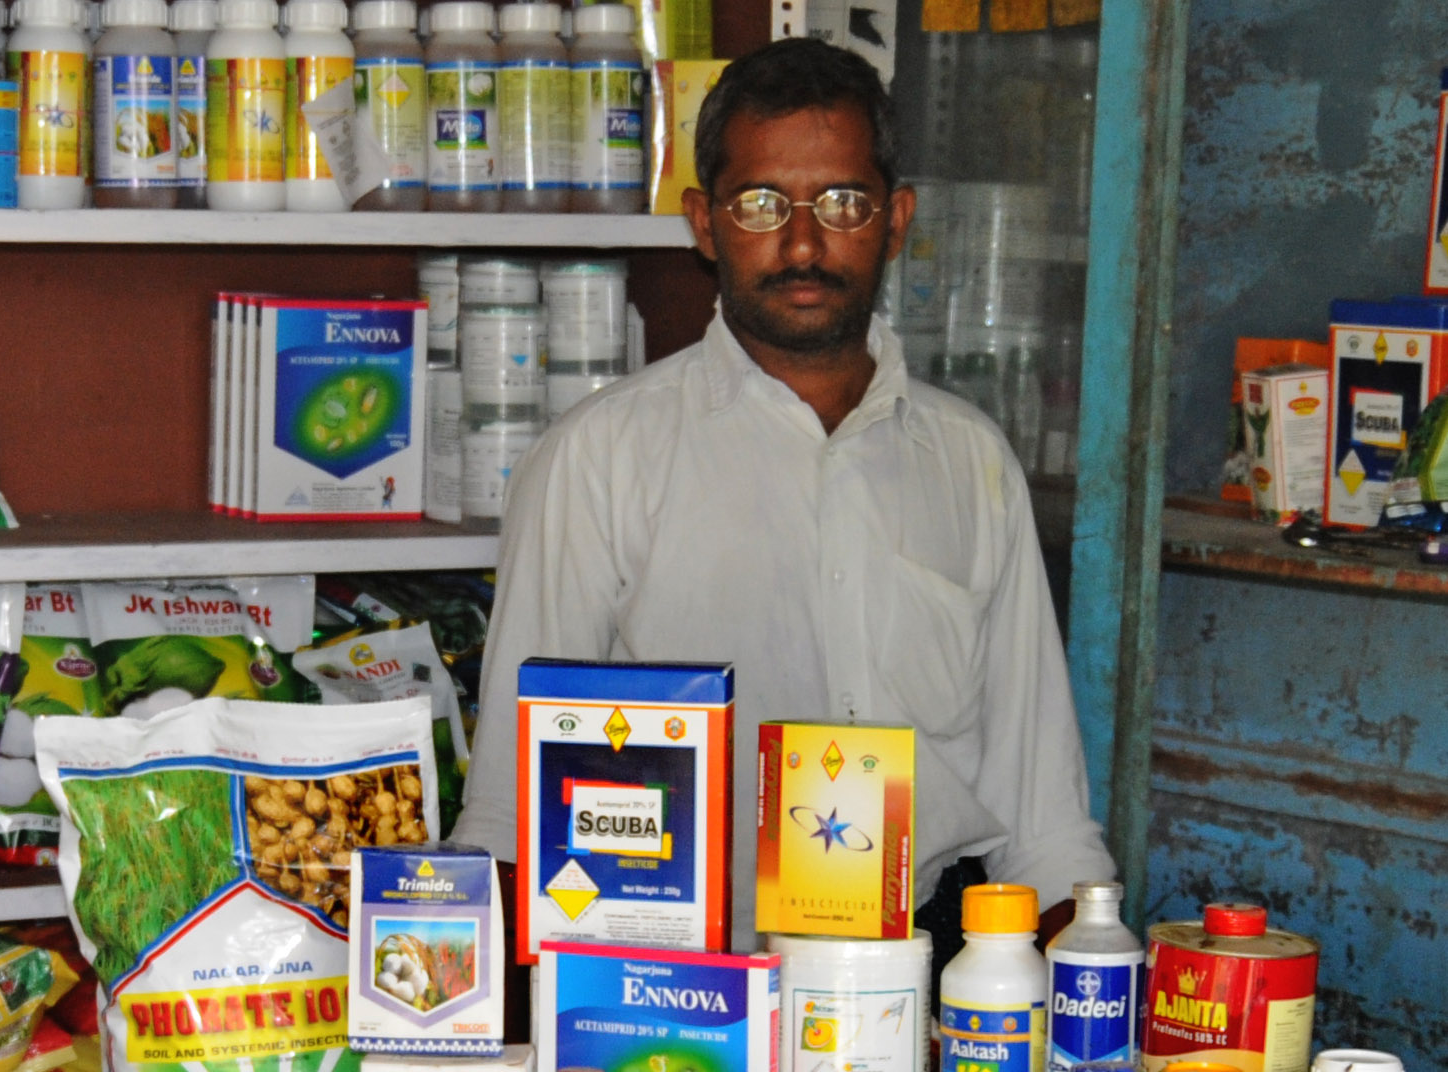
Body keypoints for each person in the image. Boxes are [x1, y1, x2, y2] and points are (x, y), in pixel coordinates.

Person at [453, 37, 1114, 972]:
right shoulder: (598, 460)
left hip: (928, 973)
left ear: (895, 221)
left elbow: (1042, 819)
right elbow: (515, 815)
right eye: (761, 204)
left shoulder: (971, 464)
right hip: (666, 987)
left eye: (841, 203)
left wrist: (1069, 1007)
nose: (803, 244)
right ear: (704, 223)